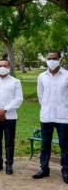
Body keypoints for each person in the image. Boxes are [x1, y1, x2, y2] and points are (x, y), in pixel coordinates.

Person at [32, 51, 68, 184]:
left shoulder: (66, 75)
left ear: (60, 59)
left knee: (65, 145)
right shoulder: (42, 76)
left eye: (54, 58)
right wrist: (46, 106)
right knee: (44, 144)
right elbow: (40, 95)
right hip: (46, 116)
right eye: (49, 58)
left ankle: (66, 171)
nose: (51, 60)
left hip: (63, 116)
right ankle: (44, 169)